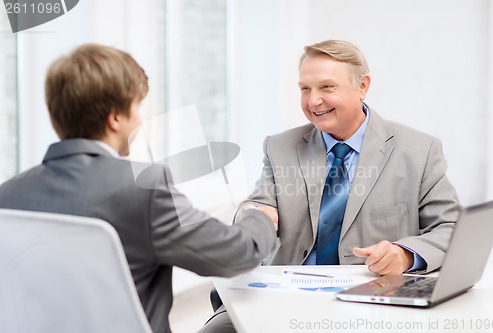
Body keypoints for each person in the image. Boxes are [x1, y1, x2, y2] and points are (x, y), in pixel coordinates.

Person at [0, 44, 278, 333]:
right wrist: (259, 218)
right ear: (115, 118)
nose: (140, 120)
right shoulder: (141, 187)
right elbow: (234, 255)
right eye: (136, 108)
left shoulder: (7, 196)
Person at [202, 39, 461, 332]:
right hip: (281, 297)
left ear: (362, 86)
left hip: (373, 301)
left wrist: (405, 253)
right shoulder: (280, 146)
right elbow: (259, 204)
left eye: (327, 87)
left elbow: (451, 228)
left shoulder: (418, 150)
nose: (313, 101)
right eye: (305, 89)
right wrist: (253, 213)